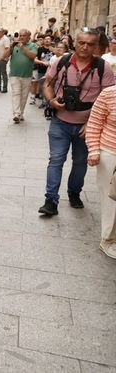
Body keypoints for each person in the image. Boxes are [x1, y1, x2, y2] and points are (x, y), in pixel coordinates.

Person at [39, 29, 115, 215]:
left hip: (87, 126)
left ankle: (74, 192)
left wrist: (91, 124)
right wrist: (51, 101)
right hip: (60, 122)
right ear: (75, 43)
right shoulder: (61, 62)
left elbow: (109, 99)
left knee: (80, 162)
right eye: (82, 42)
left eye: (90, 44)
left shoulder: (102, 67)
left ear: (96, 46)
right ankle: (51, 200)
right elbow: (47, 84)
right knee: (56, 160)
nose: (85, 47)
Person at [85, 84, 116, 259]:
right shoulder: (109, 94)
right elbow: (94, 123)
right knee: (111, 199)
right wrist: (94, 150)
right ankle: (108, 239)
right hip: (110, 153)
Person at [6, 29, 38, 124]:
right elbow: (4, 56)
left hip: (27, 75)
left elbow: (33, 56)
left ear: (29, 36)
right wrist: (11, 47)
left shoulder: (33, 45)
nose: (21, 37)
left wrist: (23, 47)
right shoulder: (15, 45)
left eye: (24, 35)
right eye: (20, 35)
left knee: (24, 96)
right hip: (14, 74)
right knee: (16, 93)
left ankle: (21, 113)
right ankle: (16, 113)